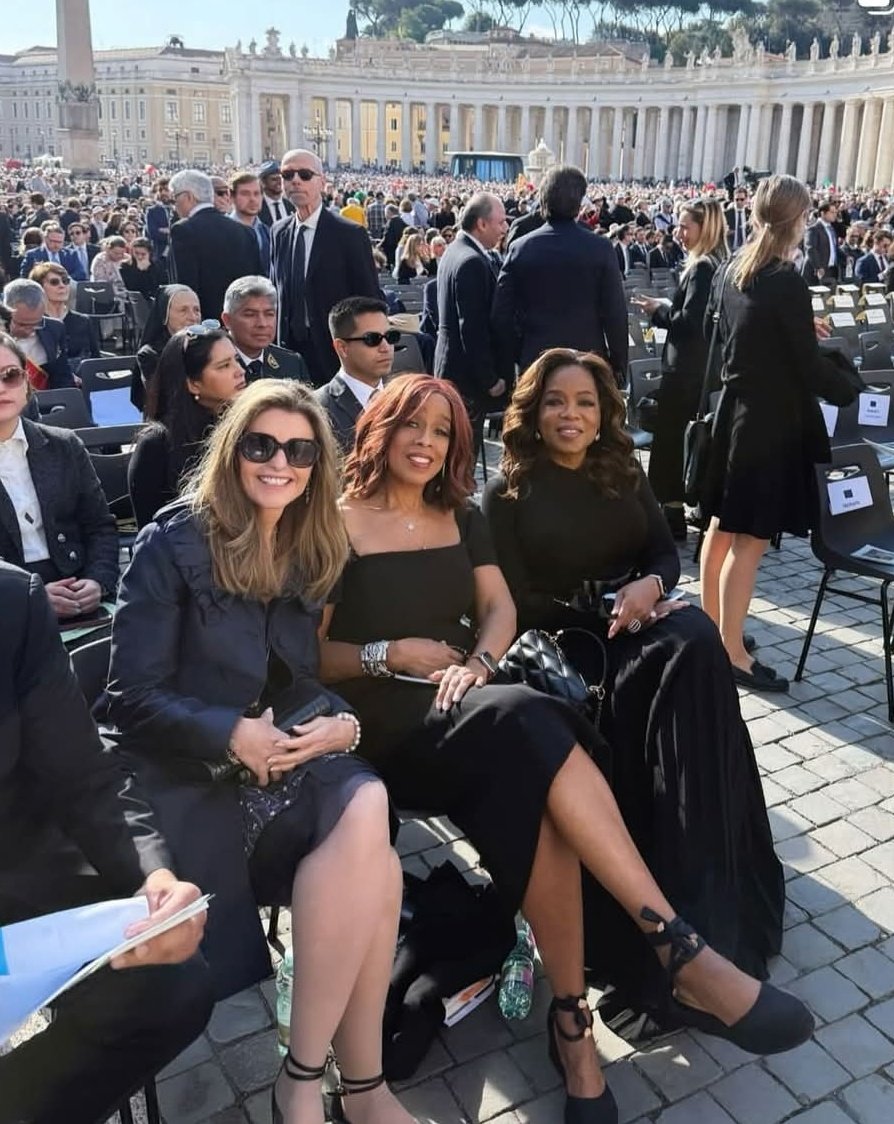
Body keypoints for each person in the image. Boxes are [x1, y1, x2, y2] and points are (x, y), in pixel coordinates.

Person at [320, 373, 811, 1124]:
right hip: (379, 723)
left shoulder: (457, 512)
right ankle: (678, 949)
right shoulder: (336, 520)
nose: (425, 442)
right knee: (531, 721)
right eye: (410, 425)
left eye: (443, 431)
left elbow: (499, 610)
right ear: (377, 428)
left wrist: (478, 662)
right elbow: (311, 654)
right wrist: (391, 652)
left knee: (541, 781)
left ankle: (574, 1028)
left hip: (464, 700)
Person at [106, 379, 414, 1124]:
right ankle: (346, 1087)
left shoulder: (308, 543)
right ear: (233, 448)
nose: (280, 462)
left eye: (300, 450)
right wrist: (229, 731)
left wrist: (342, 724)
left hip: (281, 753)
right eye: (261, 445)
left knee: (369, 804)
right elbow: (126, 700)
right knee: (377, 862)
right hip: (193, 774)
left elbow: (297, 676)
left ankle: (312, 1082)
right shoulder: (172, 542)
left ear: (318, 462)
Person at [482, 348, 785, 1021]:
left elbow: (661, 552)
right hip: (571, 650)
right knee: (686, 653)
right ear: (533, 411)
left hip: (638, 626)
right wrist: (604, 607)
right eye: (556, 401)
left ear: (603, 413)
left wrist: (651, 588)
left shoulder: (621, 468)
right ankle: (671, 926)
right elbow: (514, 602)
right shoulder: (505, 490)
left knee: (698, 642)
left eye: (585, 402)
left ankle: (711, 900)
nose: (571, 414)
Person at [0, 559, 212, 1124]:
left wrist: (155, 879)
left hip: (16, 866)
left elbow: (85, 777)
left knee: (171, 983)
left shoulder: (10, 601)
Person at [699, 174, 846, 692]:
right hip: (764, 423)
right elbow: (805, 365)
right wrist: (847, 384)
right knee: (751, 538)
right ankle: (732, 652)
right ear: (797, 219)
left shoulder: (733, 271)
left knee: (721, 526)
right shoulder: (785, 279)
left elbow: (740, 337)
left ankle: (715, 632)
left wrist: (802, 333)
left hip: (732, 413)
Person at [0, 332, 119, 619]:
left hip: (75, 587)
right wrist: (30, 597)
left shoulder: (64, 445)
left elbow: (99, 526)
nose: (1, 387)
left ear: (26, 383)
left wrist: (98, 581)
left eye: (10, 375)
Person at [631, 199, 728, 538]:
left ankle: (670, 514)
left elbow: (689, 322)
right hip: (702, 370)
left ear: (706, 228)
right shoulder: (720, 263)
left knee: (671, 444)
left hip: (685, 372)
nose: (678, 234)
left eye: (686, 227)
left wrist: (660, 311)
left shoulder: (703, 267)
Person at [492, 166, 628, 385]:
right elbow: (615, 314)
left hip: (534, 363)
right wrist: (618, 365)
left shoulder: (520, 248)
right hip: (587, 362)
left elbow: (502, 315)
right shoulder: (600, 248)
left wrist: (519, 354)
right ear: (579, 203)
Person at [270, 149, 380, 387]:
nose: (295, 180)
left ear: (322, 182)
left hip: (335, 354)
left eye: (305, 174)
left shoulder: (349, 234)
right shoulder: (278, 232)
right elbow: (278, 292)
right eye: (287, 175)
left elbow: (369, 299)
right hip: (289, 354)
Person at [128, 324, 245, 528]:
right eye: (224, 366)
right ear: (193, 384)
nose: (240, 371)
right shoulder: (156, 446)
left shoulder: (246, 429)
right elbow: (150, 534)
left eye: (236, 360)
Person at [434, 192, 509, 455]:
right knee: (461, 458)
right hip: (466, 380)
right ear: (482, 224)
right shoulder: (471, 262)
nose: (505, 228)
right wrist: (490, 379)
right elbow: (472, 329)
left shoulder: (455, 251)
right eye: (501, 222)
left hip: (451, 370)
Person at [168, 169, 262, 320]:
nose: (174, 206)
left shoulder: (183, 230)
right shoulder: (245, 231)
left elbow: (185, 288)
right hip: (242, 323)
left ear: (188, 197)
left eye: (175, 199)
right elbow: (258, 282)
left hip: (206, 326)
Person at [315, 296, 397, 453]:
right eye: (372, 339)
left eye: (391, 337)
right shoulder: (317, 409)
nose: (386, 347)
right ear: (342, 348)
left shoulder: (405, 399)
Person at [221, 275, 311, 383]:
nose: (262, 324)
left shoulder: (292, 363)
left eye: (269, 314)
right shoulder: (212, 363)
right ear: (227, 320)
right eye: (250, 315)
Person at [133, 284, 202, 415]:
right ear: (165, 314)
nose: (193, 317)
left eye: (196, 310)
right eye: (183, 310)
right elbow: (169, 400)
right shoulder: (150, 354)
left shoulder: (209, 346)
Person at [2, 277, 74, 389]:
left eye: (36, 324)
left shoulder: (54, 329)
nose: (29, 331)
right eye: (22, 324)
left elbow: (62, 375)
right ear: (6, 312)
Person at [30, 261, 100, 366]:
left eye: (65, 281)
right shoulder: (33, 323)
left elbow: (95, 359)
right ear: (39, 288)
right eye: (54, 282)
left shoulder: (83, 321)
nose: (62, 286)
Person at [229, 172, 272, 275]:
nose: (252, 199)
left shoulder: (267, 231)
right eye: (245, 194)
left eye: (256, 194)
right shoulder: (221, 231)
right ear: (232, 197)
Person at [803, 199, 840, 286]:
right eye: (832, 212)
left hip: (831, 270)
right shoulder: (813, 229)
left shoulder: (831, 229)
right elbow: (810, 249)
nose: (835, 215)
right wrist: (818, 267)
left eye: (836, 212)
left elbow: (834, 248)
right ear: (823, 213)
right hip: (817, 271)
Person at [119, 236, 162, 301]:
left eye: (143, 254)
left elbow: (156, 286)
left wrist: (148, 270)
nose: (139, 257)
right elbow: (131, 288)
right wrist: (140, 271)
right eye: (136, 253)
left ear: (149, 253)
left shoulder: (156, 265)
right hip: (135, 301)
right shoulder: (125, 266)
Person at [90, 235, 129, 302]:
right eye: (116, 253)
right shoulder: (100, 260)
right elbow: (101, 283)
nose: (119, 256)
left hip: (125, 293)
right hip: (105, 295)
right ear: (108, 249)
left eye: (122, 253)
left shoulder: (127, 259)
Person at [258, 160, 295, 227]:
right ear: (263, 183)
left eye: (281, 179)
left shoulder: (291, 206)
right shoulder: (257, 207)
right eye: (274, 179)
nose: (279, 182)